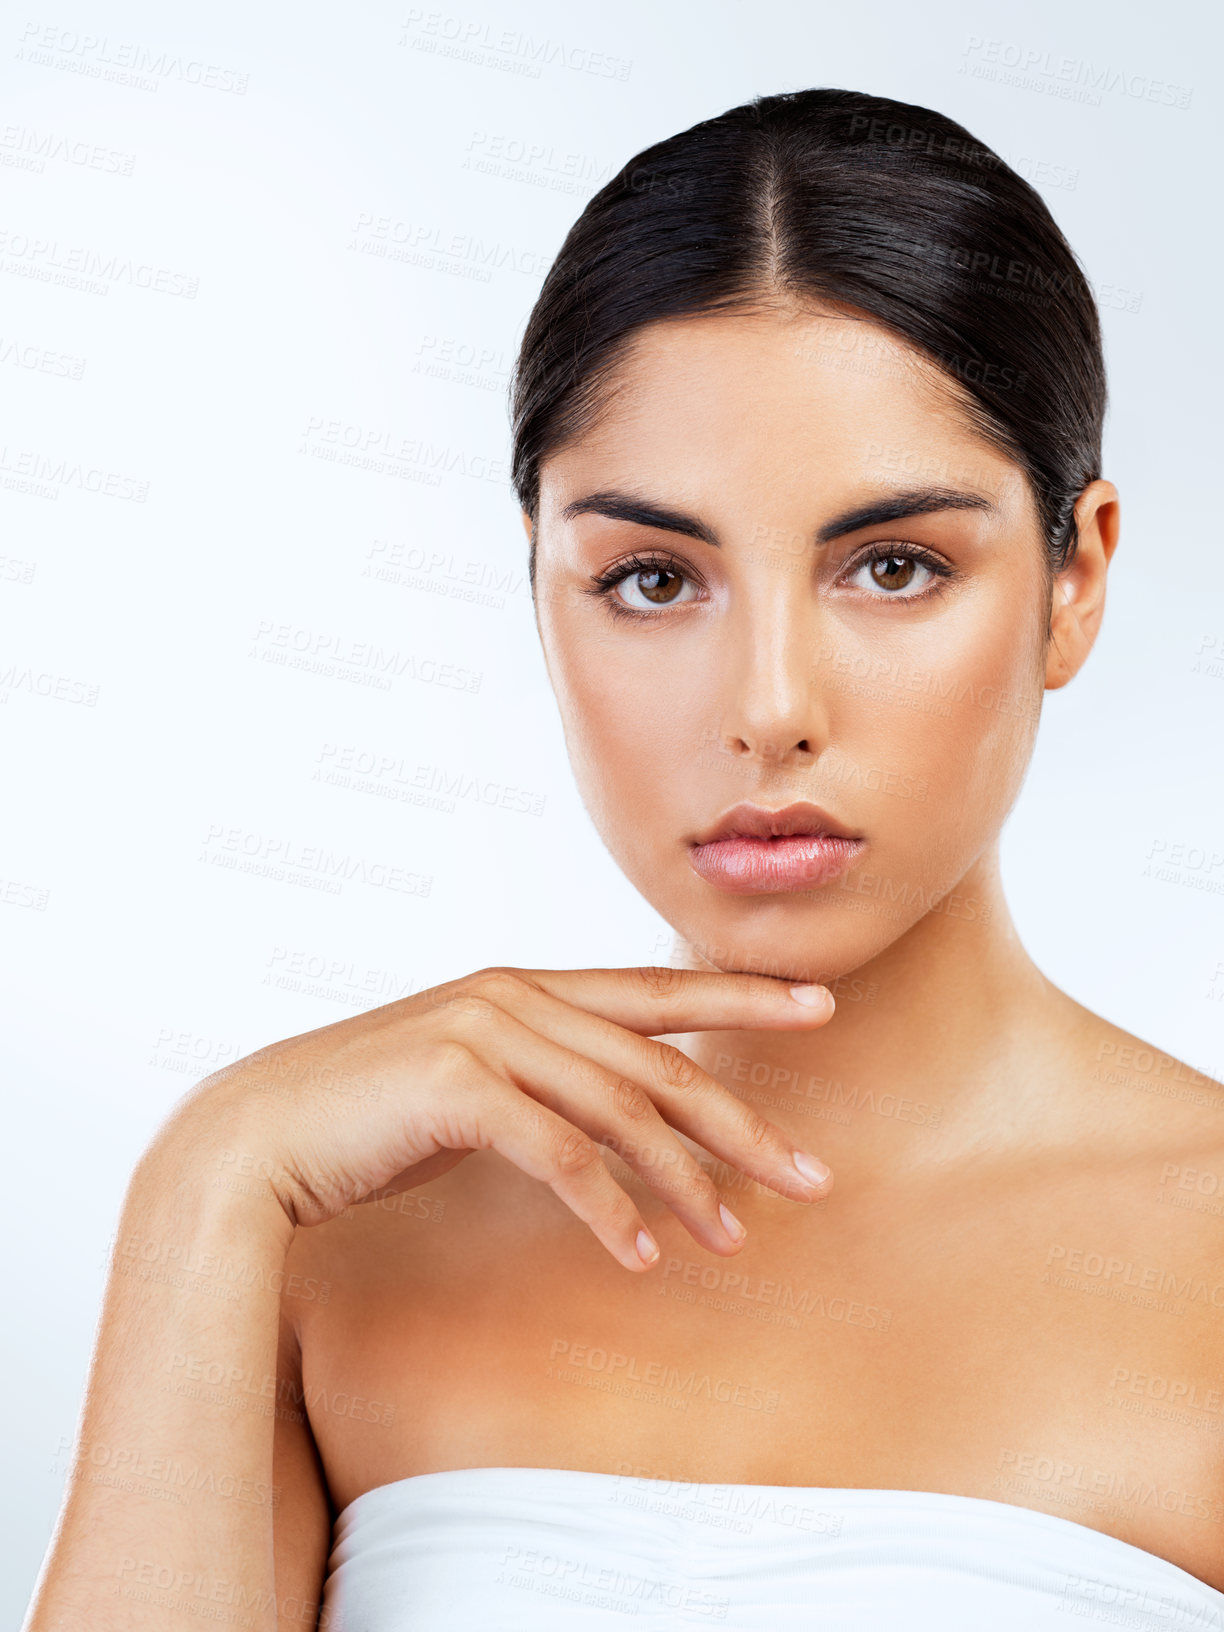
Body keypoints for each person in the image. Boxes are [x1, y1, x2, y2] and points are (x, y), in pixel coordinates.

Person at [24, 87, 1224, 1631]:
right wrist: (208, 1171)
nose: (770, 709)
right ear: (539, 584)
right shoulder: (324, 1243)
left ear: (1077, 579)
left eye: (895, 567)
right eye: (655, 579)